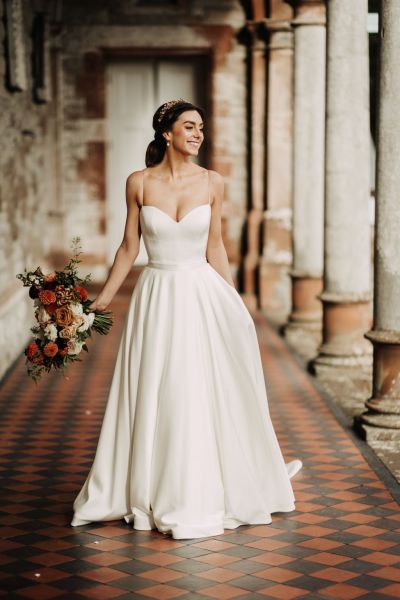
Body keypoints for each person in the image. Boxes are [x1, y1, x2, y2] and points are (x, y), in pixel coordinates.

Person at [70, 99, 302, 539]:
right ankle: (152, 483)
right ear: (167, 134)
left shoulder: (213, 182)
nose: (198, 134)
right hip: (157, 295)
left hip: (201, 294)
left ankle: (200, 486)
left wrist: (233, 300)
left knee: (196, 386)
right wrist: (102, 299)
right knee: (160, 386)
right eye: (190, 127)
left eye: (201, 128)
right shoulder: (137, 182)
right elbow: (128, 248)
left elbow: (215, 246)